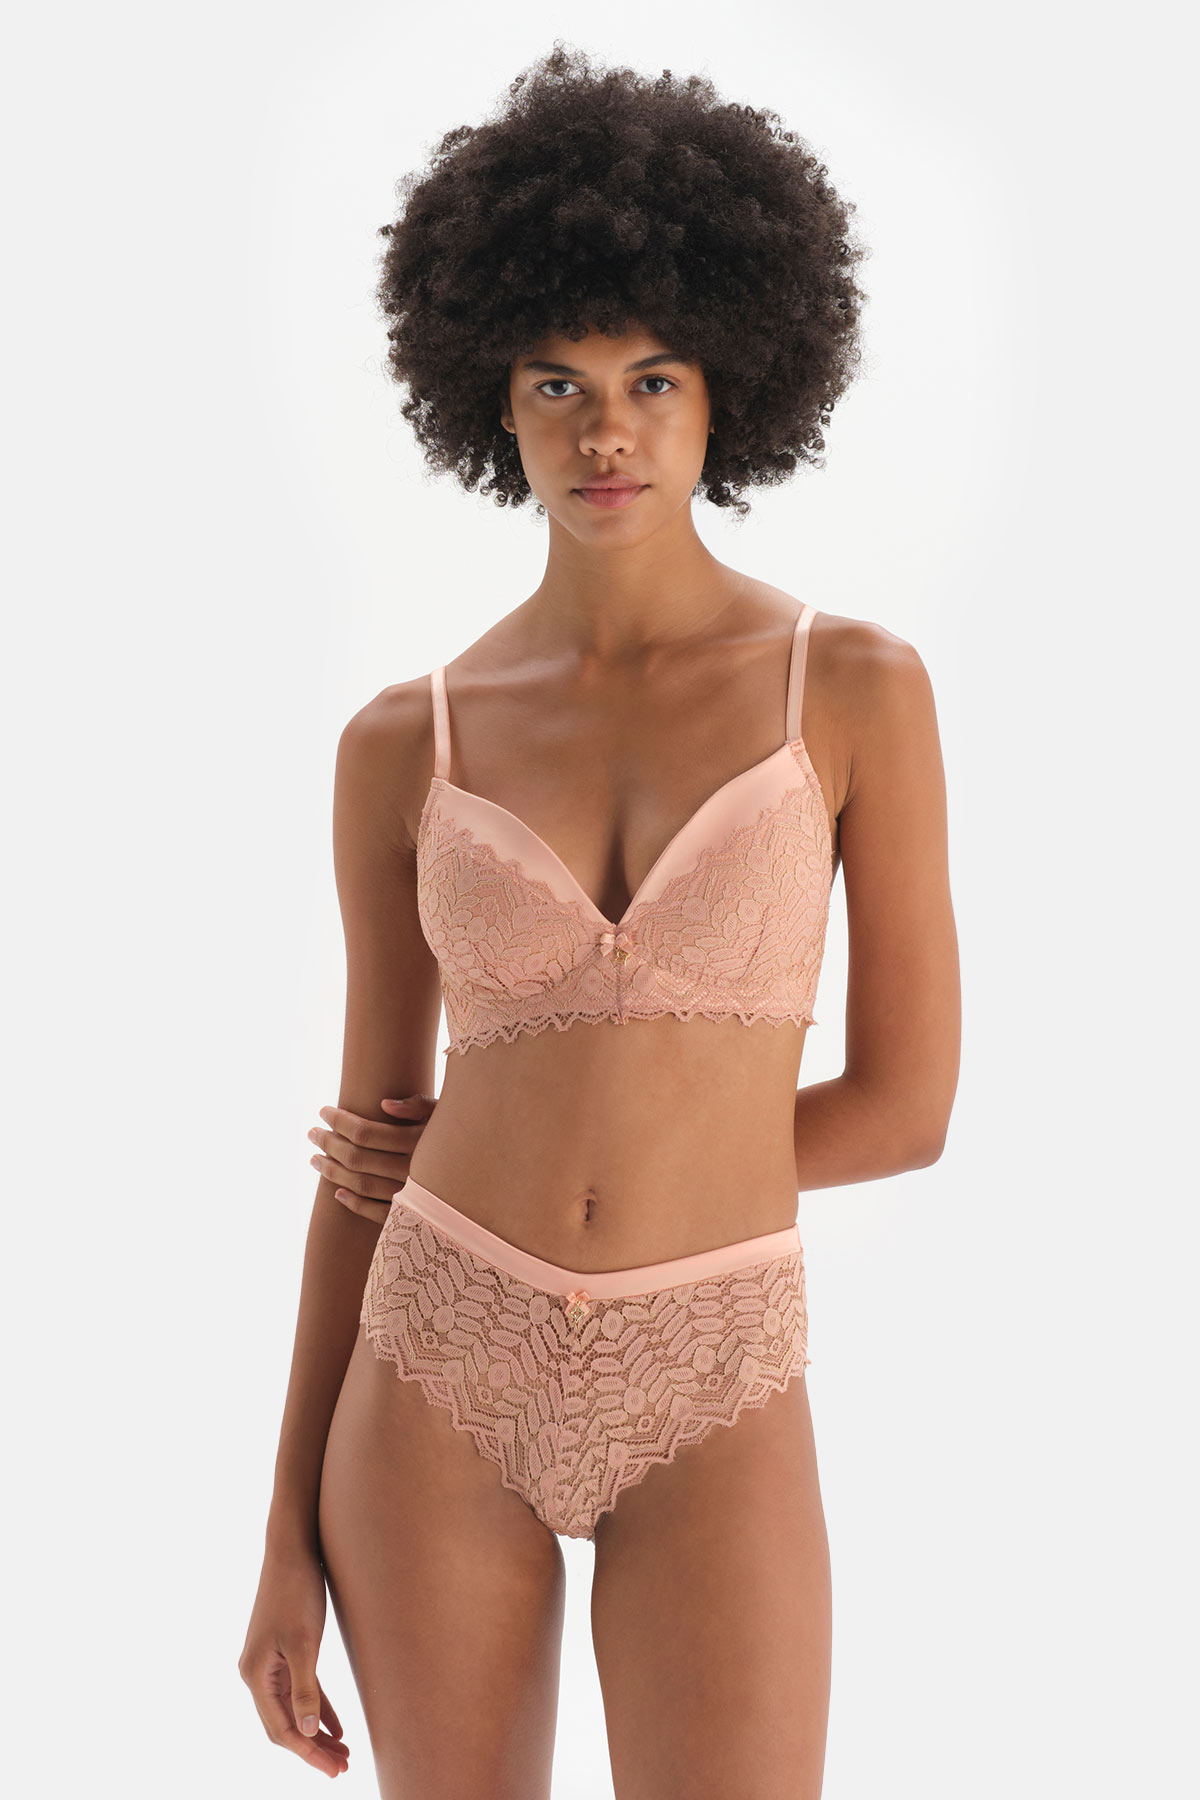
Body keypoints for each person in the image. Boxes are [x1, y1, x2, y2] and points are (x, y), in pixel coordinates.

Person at [239, 42, 960, 1798]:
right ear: (491, 400)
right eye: (555, 383)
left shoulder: (850, 688)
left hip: (718, 1366)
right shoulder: (407, 742)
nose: (605, 431)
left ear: (731, 389)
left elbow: (907, 1109)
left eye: (652, 378)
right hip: (434, 1360)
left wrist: (647, 1165)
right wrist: (278, 1535)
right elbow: (367, 1162)